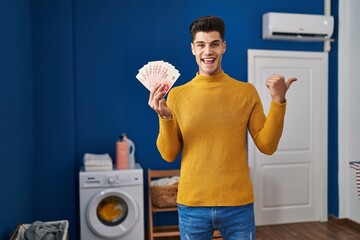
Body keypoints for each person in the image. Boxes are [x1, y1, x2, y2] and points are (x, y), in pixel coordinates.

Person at [148, 16, 296, 240]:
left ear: (224, 46)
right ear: (193, 49)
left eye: (214, 44)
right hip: (192, 205)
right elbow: (169, 155)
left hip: (238, 206)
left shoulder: (246, 92)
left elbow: (267, 146)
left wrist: (278, 102)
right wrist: (164, 117)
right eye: (201, 45)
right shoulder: (177, 95)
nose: (208, 51)